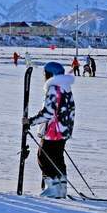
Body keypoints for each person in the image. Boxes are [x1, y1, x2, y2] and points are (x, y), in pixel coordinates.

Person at [23, 62, 75, 198]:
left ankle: (53, 187)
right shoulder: (66, 87)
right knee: (57, 157)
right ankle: (61, 186)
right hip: (64, 130)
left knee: (43, 157)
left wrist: (31, 121)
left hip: (53, 130)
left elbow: (48, 113)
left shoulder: (53, 88)